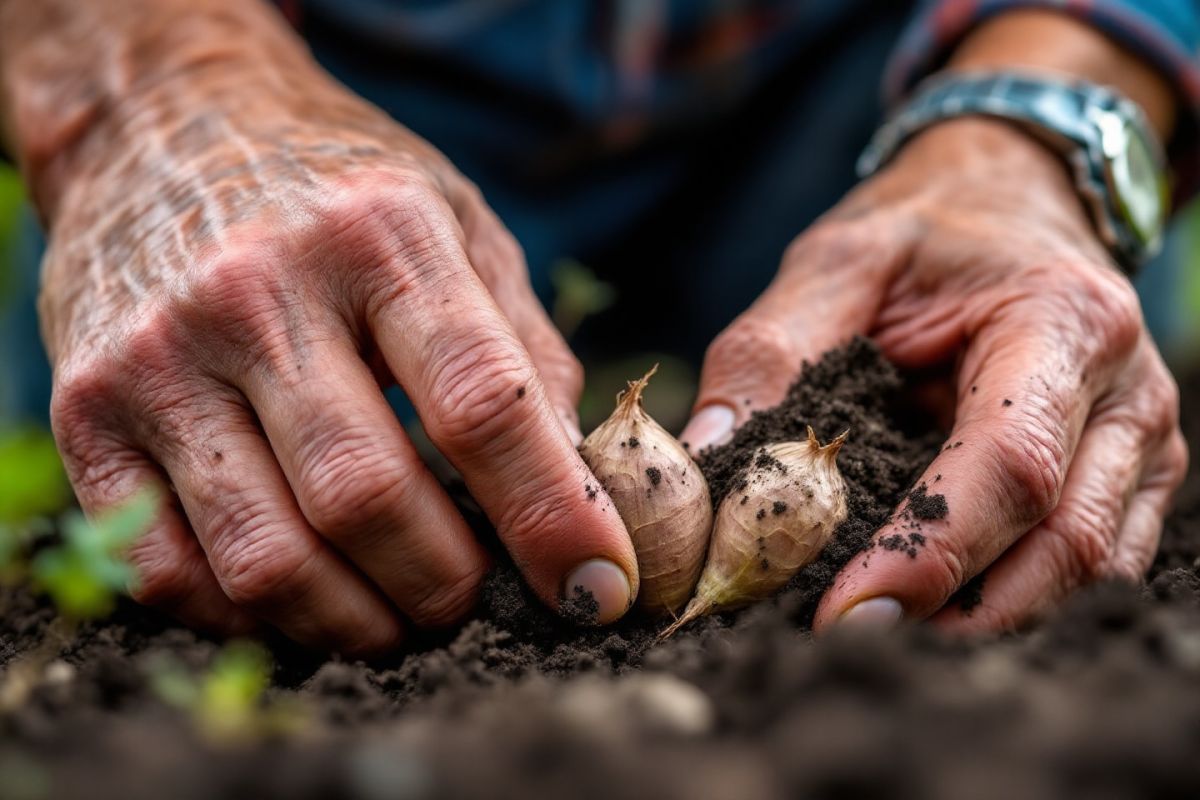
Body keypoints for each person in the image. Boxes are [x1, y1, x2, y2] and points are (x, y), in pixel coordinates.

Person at [0, 0, 1192, 654]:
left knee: (987, 407)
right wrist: (135, 89)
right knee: (231, 491)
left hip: (870, 76)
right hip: (299, 98)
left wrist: (1033, 131)